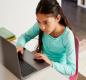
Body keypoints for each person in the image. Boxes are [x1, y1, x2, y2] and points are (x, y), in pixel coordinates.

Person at [16, 0, 76, 78]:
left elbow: (72, 69)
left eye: (46, 22)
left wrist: (50, 63)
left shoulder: (67, 36)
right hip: (42, 67)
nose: (42, 27)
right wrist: (20, 45)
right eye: (38, 21)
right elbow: (24, 36)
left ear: (57, 18)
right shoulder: (40, 25)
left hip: (59, 74)